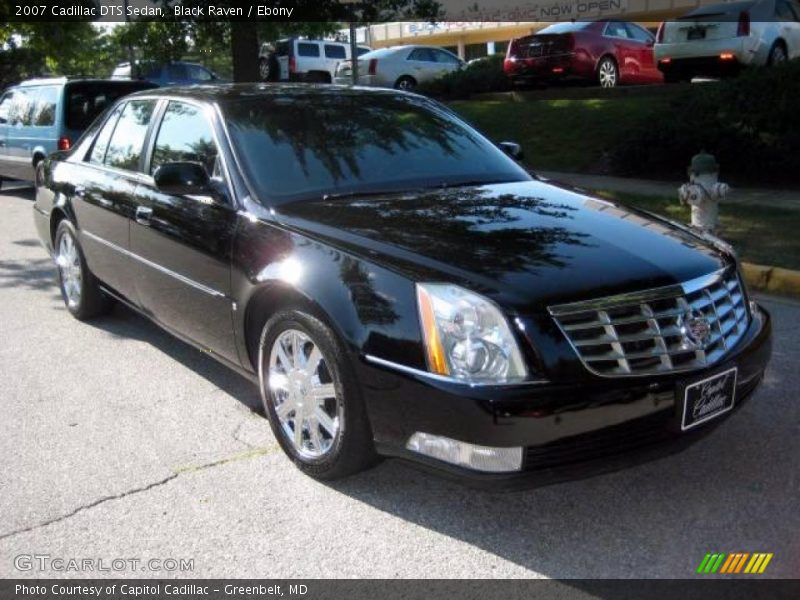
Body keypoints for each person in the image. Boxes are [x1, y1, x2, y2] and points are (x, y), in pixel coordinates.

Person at [678, 151, 729, 234]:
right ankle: (709, 223)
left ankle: (700, 224)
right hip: (709, 220)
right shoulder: (712, 185)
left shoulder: (693, 188)